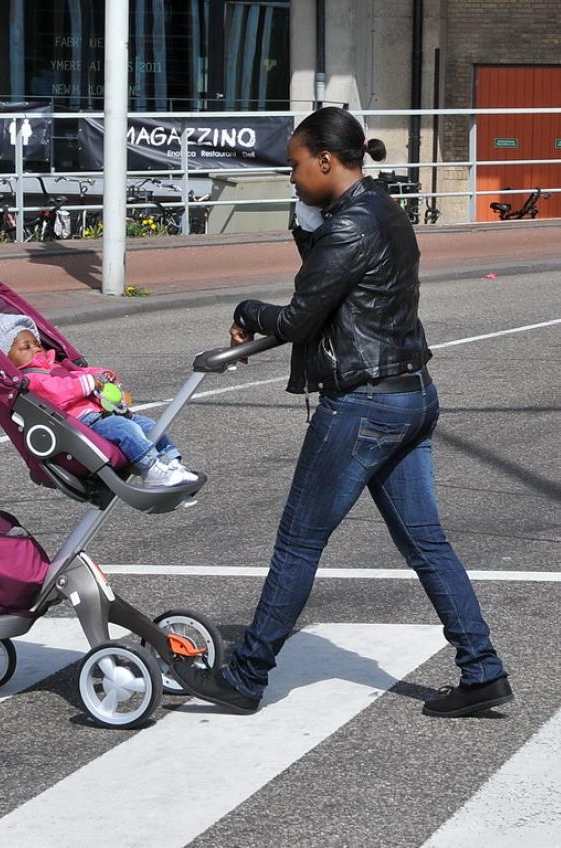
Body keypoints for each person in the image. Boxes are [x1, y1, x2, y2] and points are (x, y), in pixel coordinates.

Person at [174, 106, 513, 718]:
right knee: (427, 544)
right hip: (411, 394)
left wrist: (247, 310)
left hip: (364, 405)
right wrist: (307, 219)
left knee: (298, 543)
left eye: (296, 165)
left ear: (326, 160)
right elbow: (329, 280)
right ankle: (482, 668)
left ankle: (246, 676)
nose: (292, 176)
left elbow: (299, 318)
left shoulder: (349, 227)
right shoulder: (380, 208)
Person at [0, 313, 199, 488]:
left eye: (37, 344)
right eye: (25, 347)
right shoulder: (32, 379)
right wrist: (88, 383)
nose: (35, 348)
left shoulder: (56, 367)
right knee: (127, 430)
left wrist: (102, 375)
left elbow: (82, 373)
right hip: (83, 422)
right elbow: (58, 393)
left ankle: (172, 462)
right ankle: (151, 470)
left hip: (104, 413)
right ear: (8, 359)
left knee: (151, 426)